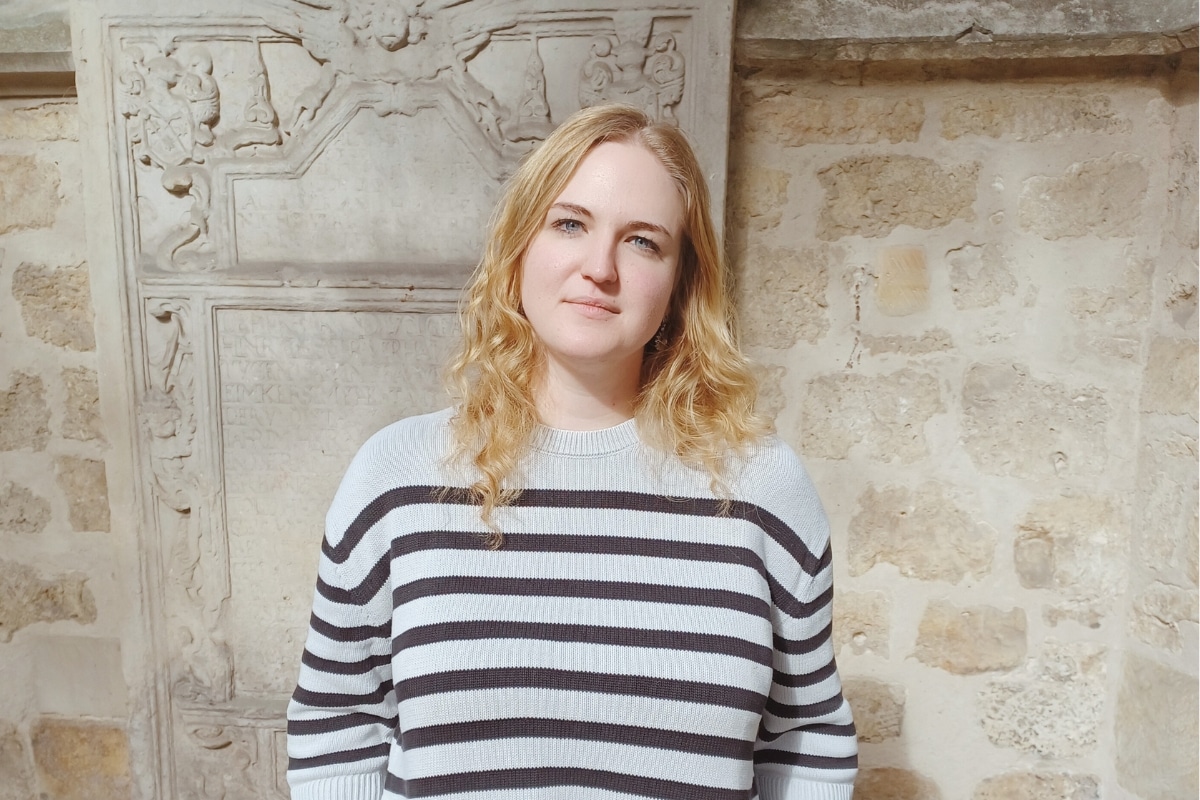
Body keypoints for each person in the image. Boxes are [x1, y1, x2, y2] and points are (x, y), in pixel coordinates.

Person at [286, 103, 858, 800]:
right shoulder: (397, 476)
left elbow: (806, 735)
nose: (600, 268)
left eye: (642, 241)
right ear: (519, 248)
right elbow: (338, 721)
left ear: (681, 282)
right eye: (569, 224)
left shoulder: (759, 486)